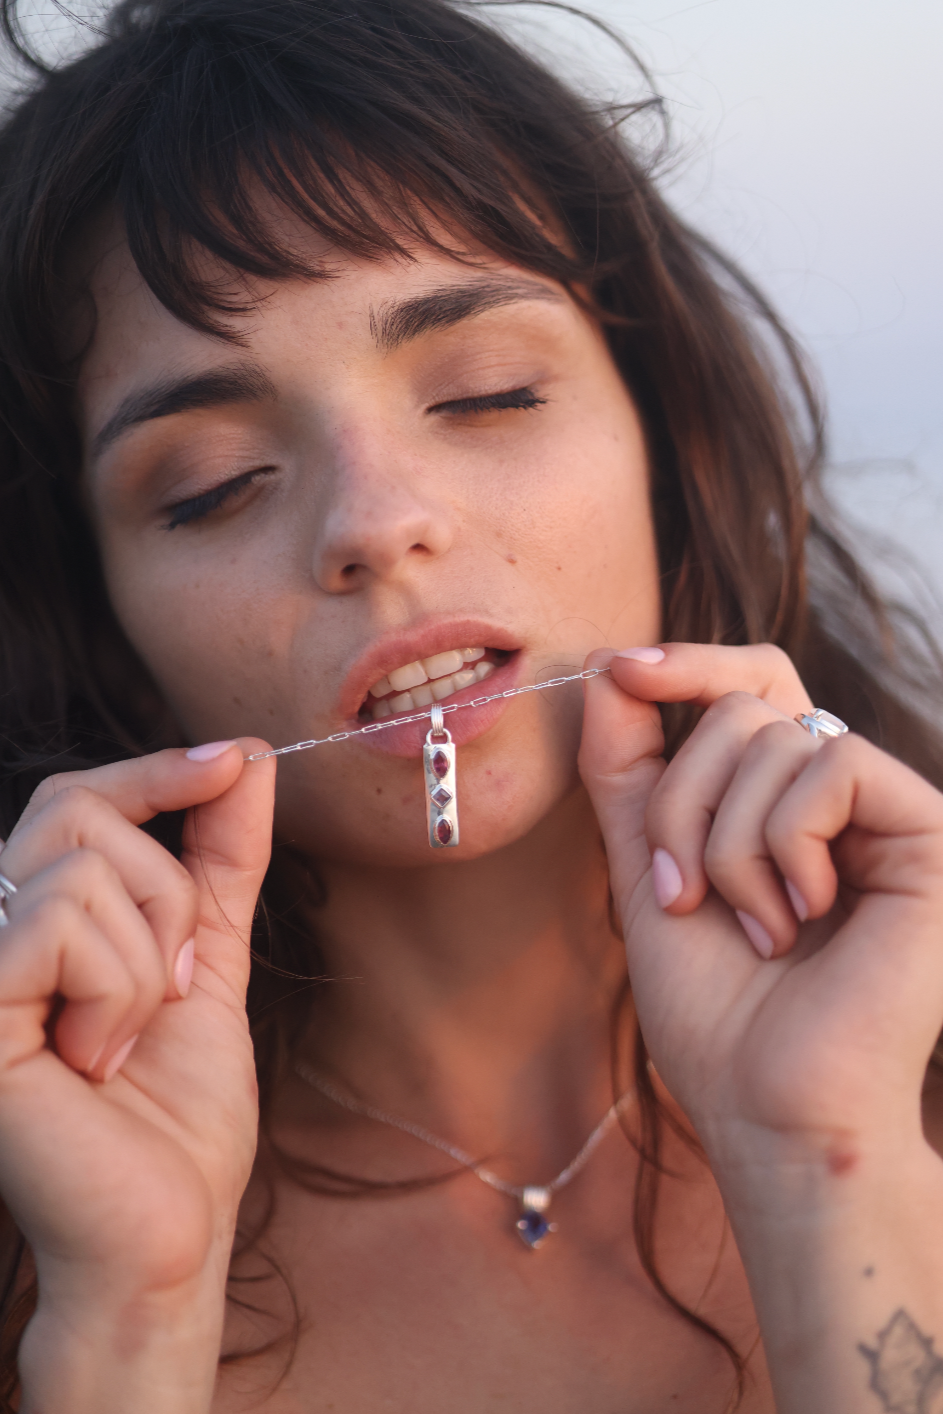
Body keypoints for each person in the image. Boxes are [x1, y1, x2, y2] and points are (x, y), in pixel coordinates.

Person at [0, 0, 942, 1409]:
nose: (377, 522)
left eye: (488, 393)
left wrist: (831, 1171)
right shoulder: (58, 1215)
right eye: (212, 484)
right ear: (100, 613)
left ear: (662, 438)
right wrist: (127, 1319)